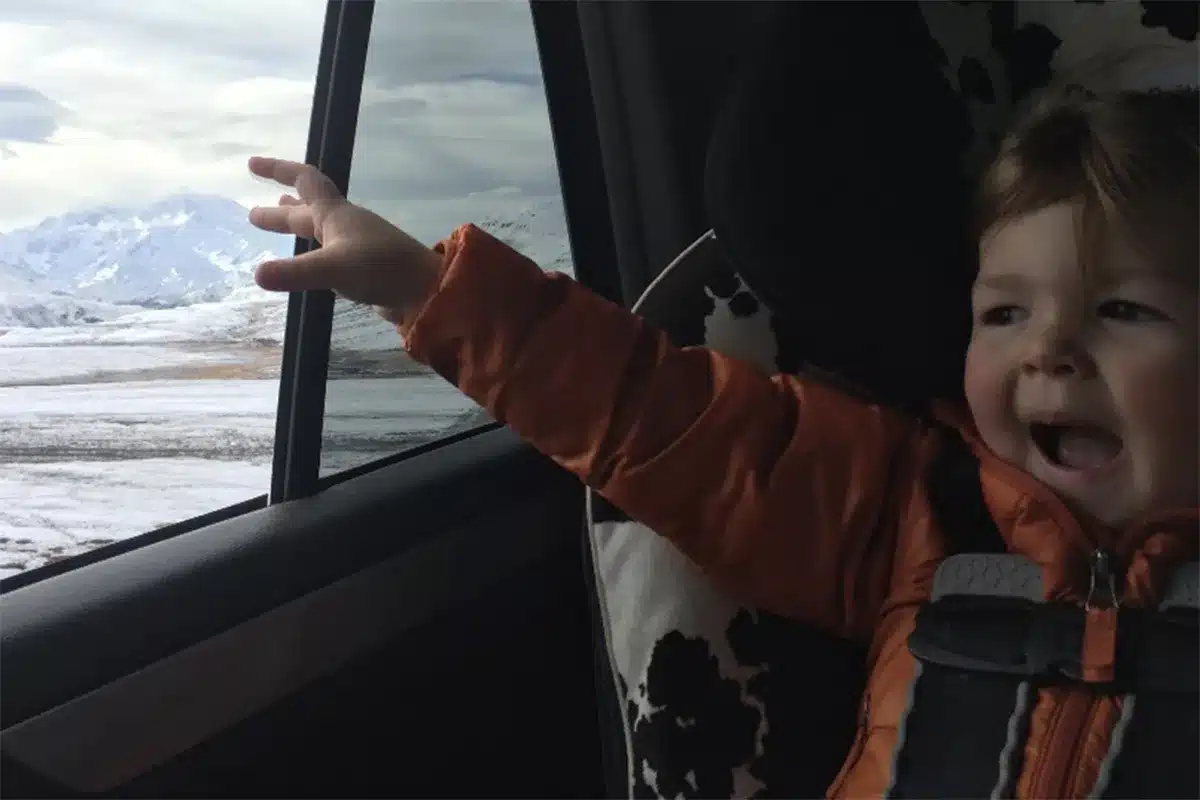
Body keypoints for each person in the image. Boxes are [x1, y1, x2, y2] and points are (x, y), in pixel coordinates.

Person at [246, 85, 1197, 797]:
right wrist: (423, 287)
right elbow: (662, 419)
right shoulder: (917, 507)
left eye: (1122, 309)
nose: (1049, 352)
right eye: (1004, 313)